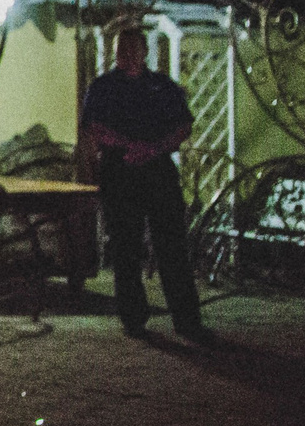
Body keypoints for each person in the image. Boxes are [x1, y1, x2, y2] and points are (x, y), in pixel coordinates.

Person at [81, 26, 209, 343]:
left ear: (143, 51)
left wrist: (153, 149)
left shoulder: (161, 87)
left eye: (133, 48)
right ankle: (134, 318)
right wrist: (129, 148)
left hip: (157, 171)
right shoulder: (104, 87)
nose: (127, 55)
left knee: (172, 246)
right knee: (126, 246)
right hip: (121, 171)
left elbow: (183, 125)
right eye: (122, 49)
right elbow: (94, 127)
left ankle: (186, 319)